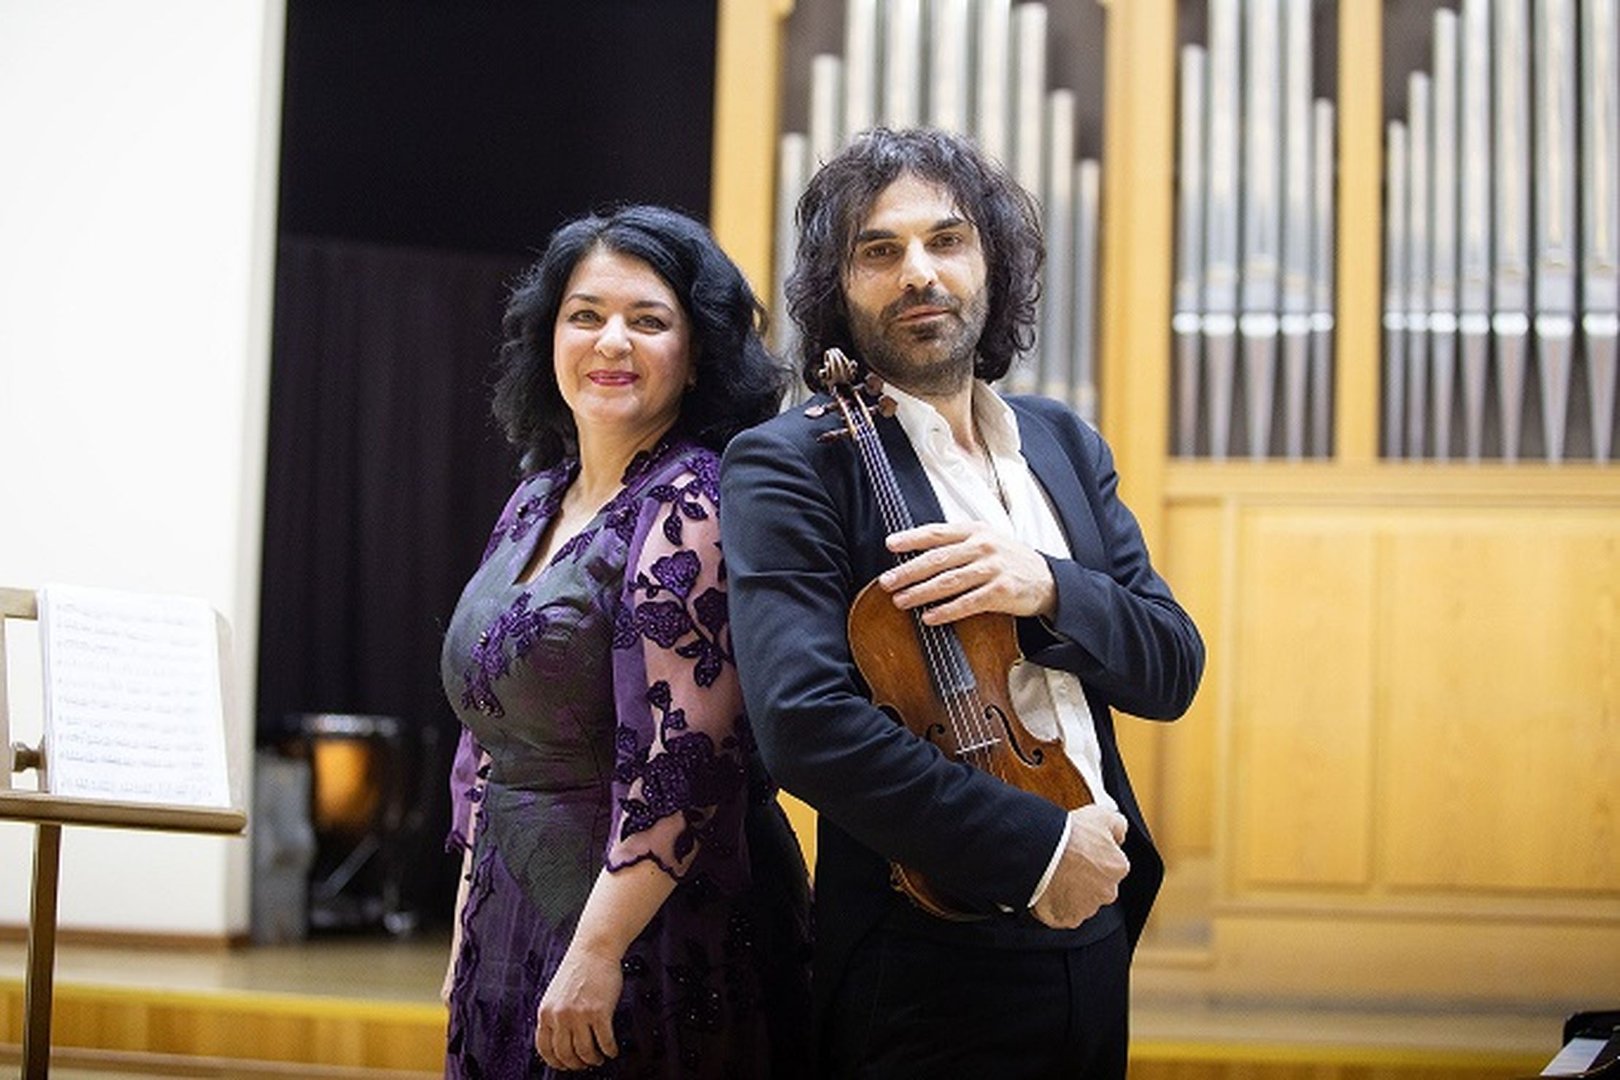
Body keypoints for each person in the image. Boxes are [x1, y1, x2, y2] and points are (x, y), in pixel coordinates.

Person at [719, 128, 1205, 1079]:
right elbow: (803, 723)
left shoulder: (1065, 445)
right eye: (879, 250)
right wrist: (1039, 851)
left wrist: (1047, 585)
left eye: (947, 241)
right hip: (923, 953)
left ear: (992, 264)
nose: (919, 273)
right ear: (837, 287)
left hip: (1099, 932)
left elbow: (1172, 664)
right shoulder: (789, 463)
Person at [440, 204, 811, 1079]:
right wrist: (464, 937)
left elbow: (690, 761)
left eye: (648, 321)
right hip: (512, 910)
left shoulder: (695, 502)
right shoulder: (537, 498)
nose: (612, 341)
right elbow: (490, 741)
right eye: (586, 315)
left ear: (696, 354)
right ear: (551, 339)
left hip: (650, 936)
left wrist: (598, 951)